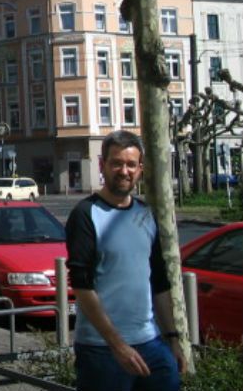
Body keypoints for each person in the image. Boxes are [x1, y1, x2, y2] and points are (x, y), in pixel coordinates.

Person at [65, 130, 186, 391]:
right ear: (102, 165)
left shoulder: (145, 214)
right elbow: (82, 285)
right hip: (101, 349)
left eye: (131, 164)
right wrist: (117, 345)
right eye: (116, 163)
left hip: (150, 342)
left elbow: (159, 280)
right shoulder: (85, 215)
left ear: (140, 169)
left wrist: (173, 338)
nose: (124, 171)